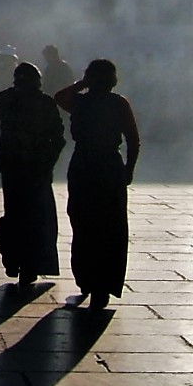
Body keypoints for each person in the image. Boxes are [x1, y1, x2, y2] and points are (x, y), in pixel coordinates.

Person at [53, 59, 140, 308]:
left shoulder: (80, 102)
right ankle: (104, 284)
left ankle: (87, 279)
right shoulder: (119, 104)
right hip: (109, 166)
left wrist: (82, 83)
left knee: (84, 223)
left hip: (84, 165)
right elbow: (133, 141)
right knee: (110, 227)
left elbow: (60, 96)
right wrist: (128, 169)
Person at [0, 62, 66, 286]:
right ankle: (29, 265)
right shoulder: (44, 103)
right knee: (36, 219)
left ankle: (14, 260)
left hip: (14, 167)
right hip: (36, 168)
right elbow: (58, 137)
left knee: (15, 215)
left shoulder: (7, 100)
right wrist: (48, 162)